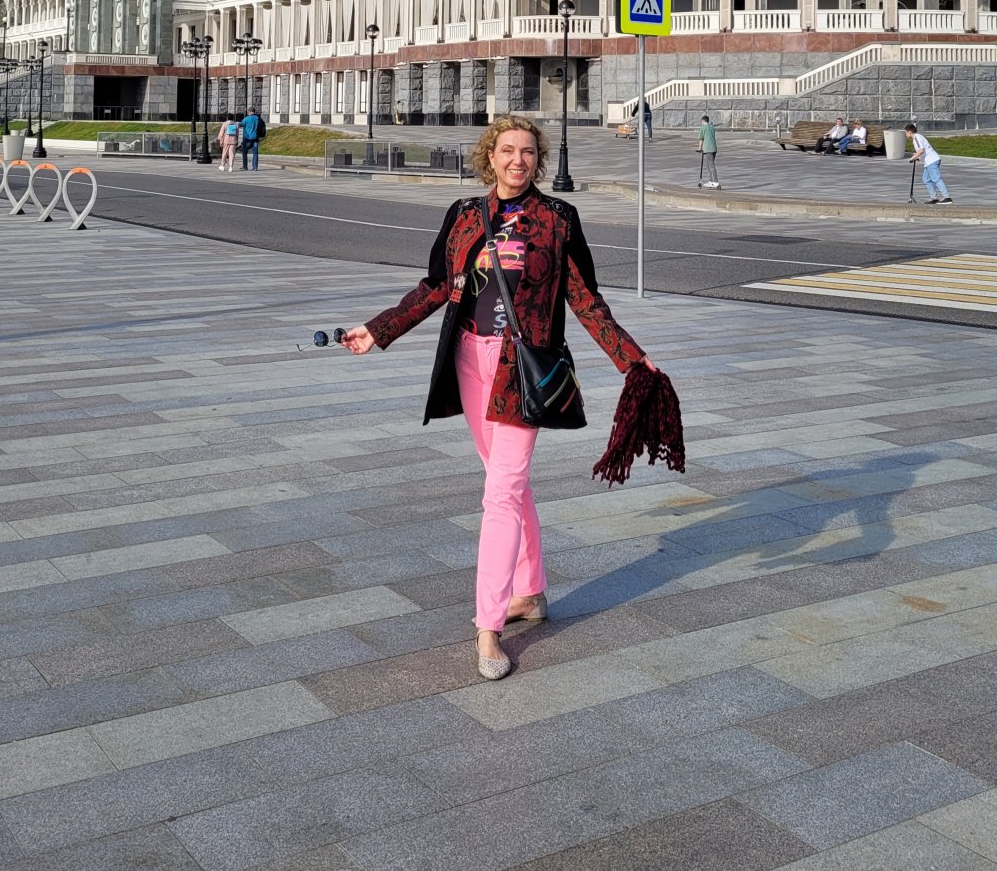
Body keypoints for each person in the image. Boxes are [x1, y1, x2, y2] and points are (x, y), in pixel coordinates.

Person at [341, 115, 660, 682]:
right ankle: (530, 591)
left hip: (521, 369)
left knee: (501, 492)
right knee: (507, 482)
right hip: (469, 359)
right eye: (508, 150)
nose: (518, 160)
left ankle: (488, 625)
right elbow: (437, 286)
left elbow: (585, 299)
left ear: (539, 159)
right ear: (490, 156)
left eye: (528, 152)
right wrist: (379, 329)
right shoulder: (465, 214)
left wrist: (630, 357)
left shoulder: (558, 218)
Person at [905, 122, 951, 204]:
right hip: (928, 162)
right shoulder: (918, 137)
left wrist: (912, 158)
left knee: (936, 178)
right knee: (926, 179)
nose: (906, 134)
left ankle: (947, 197)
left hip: (932, 161)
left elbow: (921, 150)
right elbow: (923, 151)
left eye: (906, 132)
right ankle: (934, 198)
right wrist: (918, 158)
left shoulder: (917, 137)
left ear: (910, 132)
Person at [697, 114, 720, 187]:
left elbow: (701, 139)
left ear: (703, 121)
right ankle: (711, 181)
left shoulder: (703, 128)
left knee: (711, 165)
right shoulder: (712, 127)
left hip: (707, 149)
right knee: (709, 165)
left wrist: (699, 148)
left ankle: (715, 181)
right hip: (714, 148)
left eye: (701, 122)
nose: (701, 123)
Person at [239, 106, 263, 171]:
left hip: (247, 138)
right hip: (256, 137)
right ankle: (255, 167)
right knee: (255, 152)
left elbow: (240, 124)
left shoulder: (246, 119)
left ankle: (245, 166)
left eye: (248, 112)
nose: (247, 113)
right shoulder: (258, 118)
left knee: (244, 151)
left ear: (250, 112)